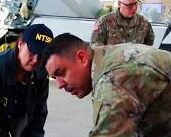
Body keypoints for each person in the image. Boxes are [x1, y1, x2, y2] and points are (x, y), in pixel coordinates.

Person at [42, 33, 171, 136]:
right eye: (55, 78)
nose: (59, 85)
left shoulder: (113, 80)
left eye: (61, 73)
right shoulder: (105, 57)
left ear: (82, 58)